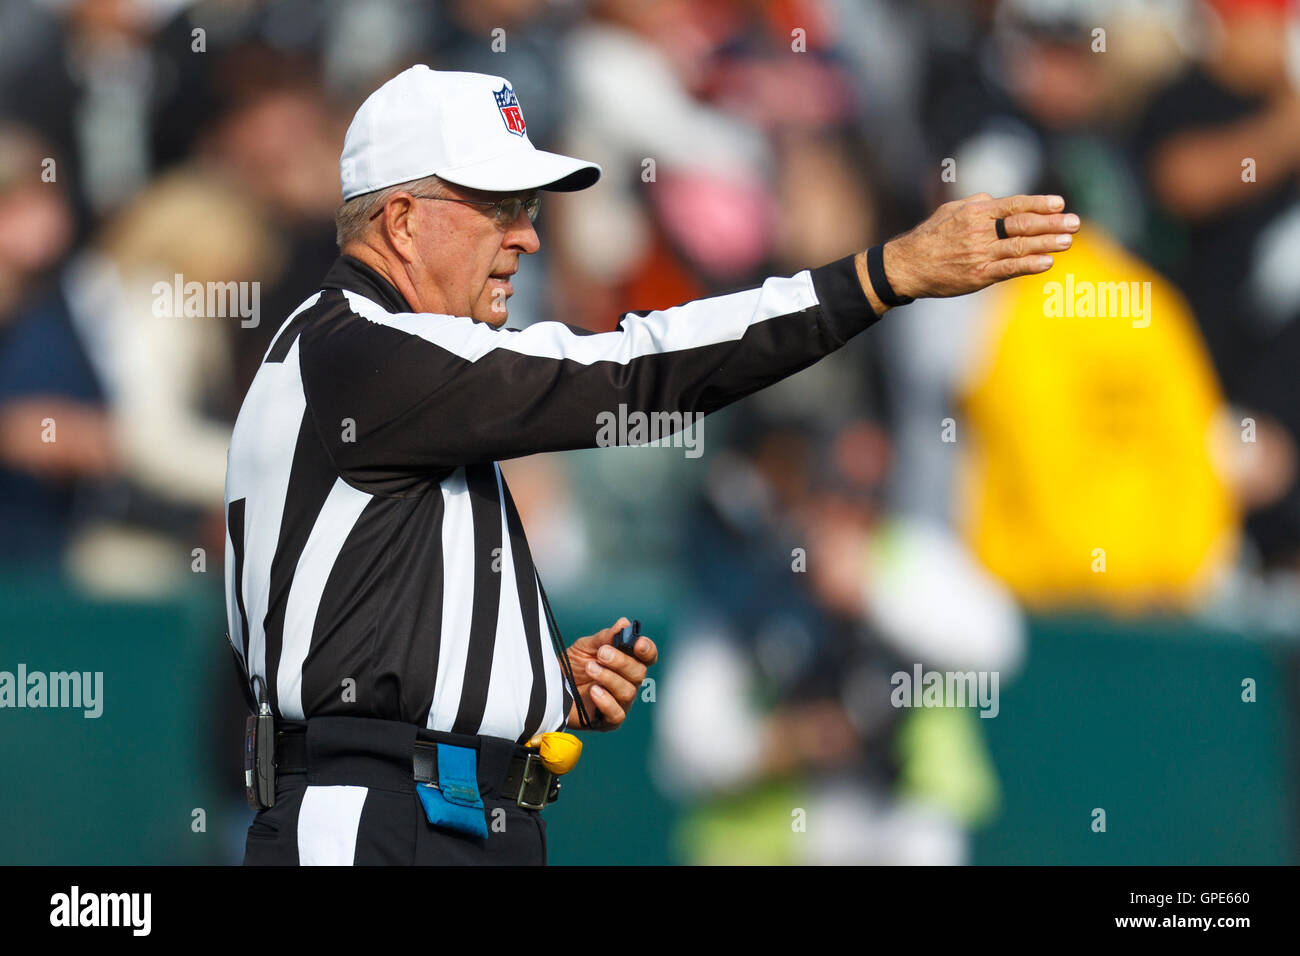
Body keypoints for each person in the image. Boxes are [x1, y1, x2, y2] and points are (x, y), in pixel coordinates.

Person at [223, 64, 1078, 866]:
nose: (528, 236)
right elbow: (635, 372)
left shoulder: (364, 361)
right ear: (403, 221)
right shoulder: (364, 352)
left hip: (434, 809)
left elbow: (357, 612)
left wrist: (529, 682)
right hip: (375, 817)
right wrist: (885, 274)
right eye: (499, 205)